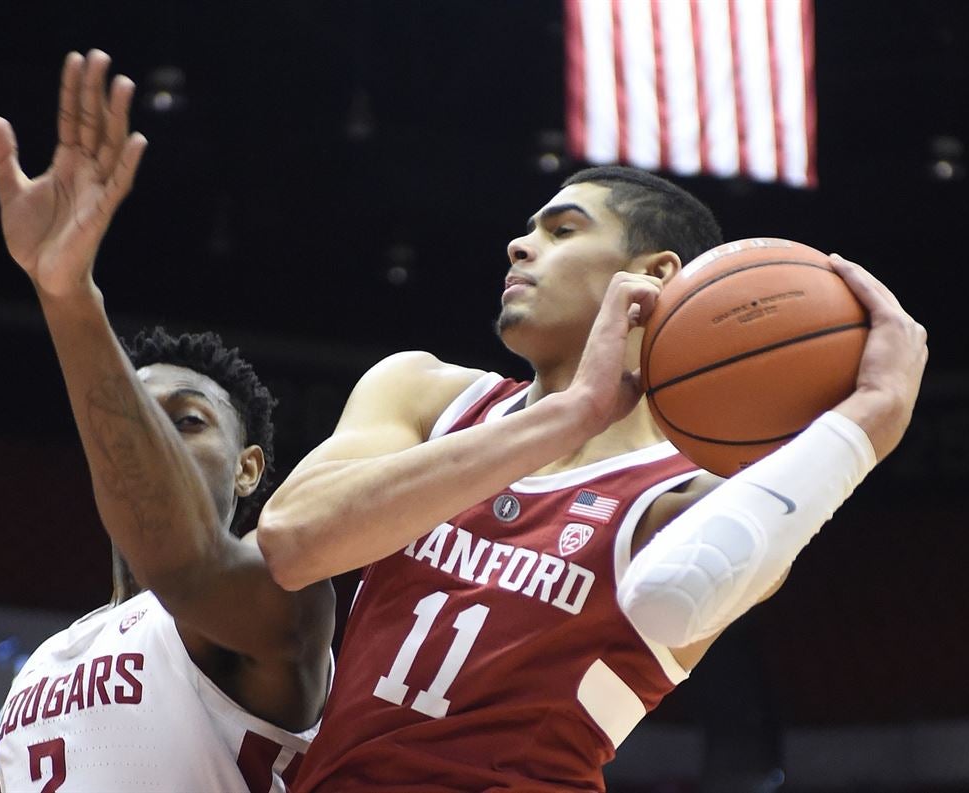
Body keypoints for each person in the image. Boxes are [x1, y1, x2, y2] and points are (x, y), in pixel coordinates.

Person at [256, 166, 928, 790]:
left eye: (561, 229)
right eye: (528, 230)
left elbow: (680, 592)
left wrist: (871, 419)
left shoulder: (684, 500)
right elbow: (292, 542)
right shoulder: (423, 393)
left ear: (656, 274)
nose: (520, 246)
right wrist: (567, 417)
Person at [0, 50, 334, 792]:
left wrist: (68, 295)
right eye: (138, 415)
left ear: (248, 467)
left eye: (190, 419)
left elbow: (180, 562)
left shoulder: (283, 594)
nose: (150, 433)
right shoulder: (43, 663)